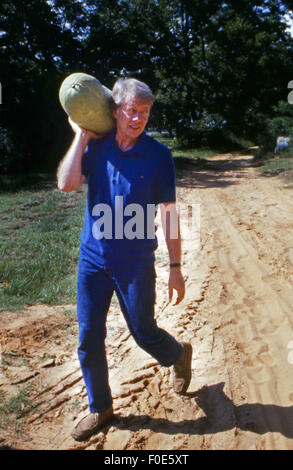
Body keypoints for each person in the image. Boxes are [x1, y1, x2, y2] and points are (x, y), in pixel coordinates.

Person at [57, 78, 192, 442]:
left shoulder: (158, 156)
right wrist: (81, 137)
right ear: (116, 111)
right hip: (93, 260)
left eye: (145, 112)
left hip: (135, 262)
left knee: (143, 332)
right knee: (88, 336)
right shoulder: (97, 147)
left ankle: (179, 354)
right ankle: (100, 407)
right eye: (132, 110)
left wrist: (175, 268)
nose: (138, 118)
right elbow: (66, 183)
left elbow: (168, 214)